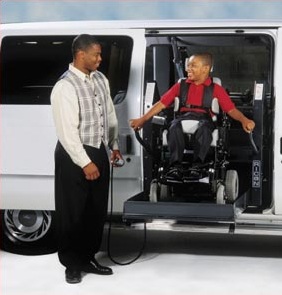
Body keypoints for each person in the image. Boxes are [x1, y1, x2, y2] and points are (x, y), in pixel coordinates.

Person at [51, 34, 123, 284]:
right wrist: (85, 162)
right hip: (74, 154)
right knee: (73, 211)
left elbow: (110, 115)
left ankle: (87, 257)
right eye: (96, 54)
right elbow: (67, 132)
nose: (100, 59)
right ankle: (72, 264)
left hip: (98, 150)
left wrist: (113, 145)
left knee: (95, 210)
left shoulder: (101, 79)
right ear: (81, 55)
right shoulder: (65, 86)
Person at [130, 53, 255, 179]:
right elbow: (161, 104)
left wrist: (244, 120)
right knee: (173, 127)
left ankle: (198, 165)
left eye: (193, 66)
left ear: (205, 68)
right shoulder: (181, 85)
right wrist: (142, 119)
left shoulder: (216, 88)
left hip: (205, 118)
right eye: (188, 65)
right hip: (183, 117)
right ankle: (175, 166)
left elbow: (231, 110)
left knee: (204, 129)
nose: (188, 69)